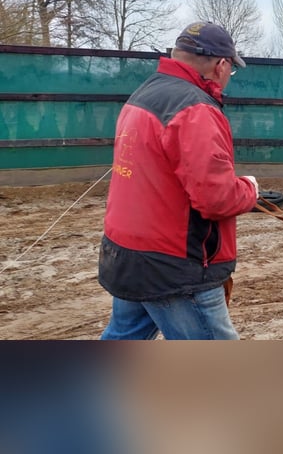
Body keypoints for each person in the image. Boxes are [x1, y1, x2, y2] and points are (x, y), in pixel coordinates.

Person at [98, 21, 258, 340]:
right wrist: (250, 189)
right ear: (221, 64)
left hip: (128, 252)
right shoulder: (195, 108)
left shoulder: (145, 94)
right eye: (231, 69)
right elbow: (216, 198)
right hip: (173, 265)